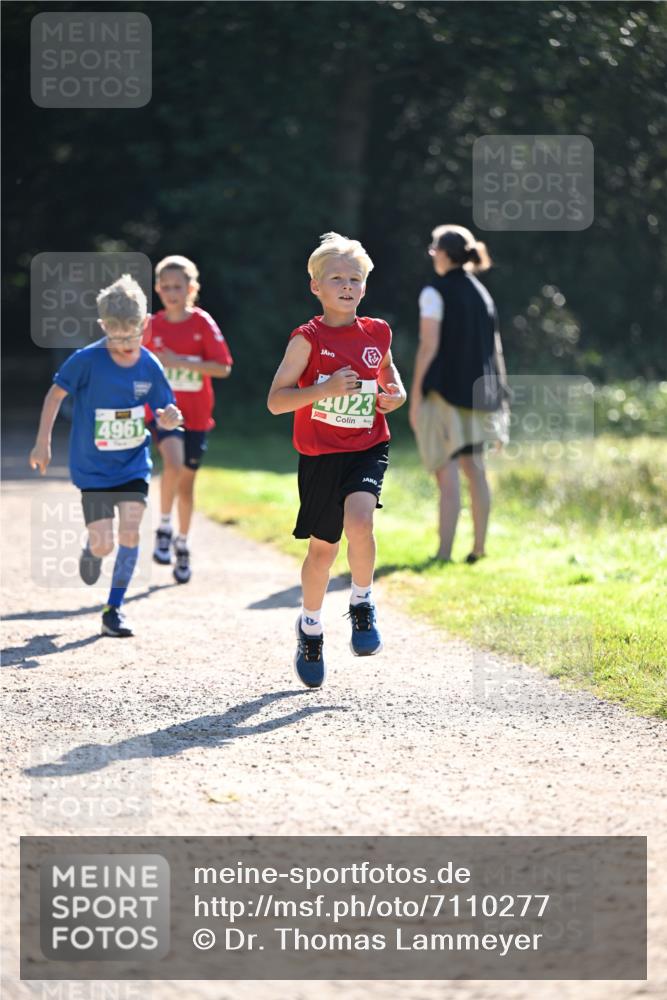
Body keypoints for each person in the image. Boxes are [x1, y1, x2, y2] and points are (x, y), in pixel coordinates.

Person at [267, 232, 406, 689]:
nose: (347, 286)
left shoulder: (377, 332)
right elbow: (276, 401)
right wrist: (324, 390)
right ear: (316, 287)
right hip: (320, 455)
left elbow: (385, 372)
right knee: (323, 551)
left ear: (365, 286)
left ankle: (362, 604)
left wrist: (395, 394)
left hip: (367, 444)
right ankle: (310, 628)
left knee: (361, 521)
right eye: (337, 278)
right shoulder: (307, 340)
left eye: (356, 278)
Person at [29, 274, 183, 637]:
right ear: (103, 327)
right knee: (105, 542)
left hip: (132, 465)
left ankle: (113, 609)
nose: (125, 344)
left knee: (130, 530)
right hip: (94, 471)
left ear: (144, 324)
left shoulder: (149, 365)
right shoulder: (86, 360)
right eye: (116, 337)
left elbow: (166, 408)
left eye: (132, 335)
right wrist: (42, 443)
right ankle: (92, 550)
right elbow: (55, 396)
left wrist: (170, 417)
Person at [409, 224, 510, 564]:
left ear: (445, 254)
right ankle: (479, 548)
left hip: (444, 392)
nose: (431, 254)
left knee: (447, 470)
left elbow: (428, 345)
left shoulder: (434, 292)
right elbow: (495, 349)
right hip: (482, 392)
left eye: (434, 248)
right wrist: (503, 394)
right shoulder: (483, 294)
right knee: (475, 468)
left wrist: (416, 392)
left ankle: (443, 553)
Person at [143, 255, 233, 584]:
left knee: (187, 482)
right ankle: (164, 527)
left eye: (177, 286)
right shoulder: (151, 325)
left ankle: (183, 542)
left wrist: (179, 361)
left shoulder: (202, 323)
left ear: (191, 288)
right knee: (173, 462)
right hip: (163, 413)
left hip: (197, 416)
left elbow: (223, 367)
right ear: (157, 289)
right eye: (164, 286)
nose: (170, 291)